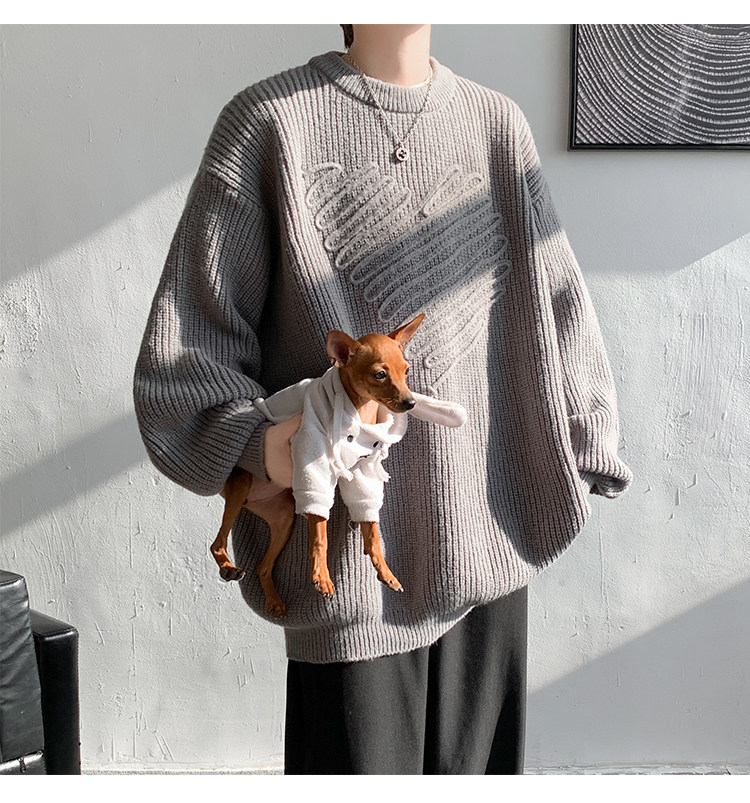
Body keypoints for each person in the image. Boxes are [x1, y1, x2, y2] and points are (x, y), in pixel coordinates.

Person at [133, 24, 633, 774]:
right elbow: (183, 354)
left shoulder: (495, 125)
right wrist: (268, 449)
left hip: (489, 544)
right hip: (349, 583)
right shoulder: (269, 124)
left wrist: (588, 434)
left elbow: (557, 295)